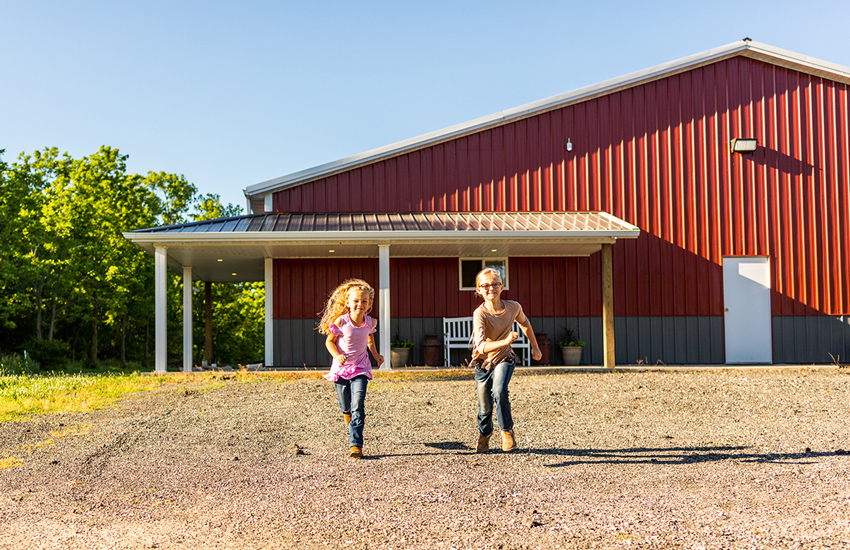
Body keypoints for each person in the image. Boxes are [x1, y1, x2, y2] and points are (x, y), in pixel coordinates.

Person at [470, 268, 541, 453]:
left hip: (504, 358)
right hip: (483, 362)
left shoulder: (513, 307)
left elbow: (525, 324)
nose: (491, 288)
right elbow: (482, 346)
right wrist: (506, 340)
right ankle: (484, 434)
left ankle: (507, 432)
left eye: (495, 284)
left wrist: (535, 346)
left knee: (500, 390)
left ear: (502, 287)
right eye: (485, 285)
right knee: (484, 405)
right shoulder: (480, 314)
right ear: (479, 290)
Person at [318, 278, 384, 458]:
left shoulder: (371, 322)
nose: (359, 304)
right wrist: (337, 356)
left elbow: (370, 339)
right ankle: (348, 417)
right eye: (355, 301)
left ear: (369, 303)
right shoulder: (341, 321)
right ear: (347, 302)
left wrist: (376, 355)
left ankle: (356, 445)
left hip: (361, 367)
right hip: (341, 369)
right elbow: (329, 341)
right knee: (345, 405)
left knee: (358, 405)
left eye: (364, 301)